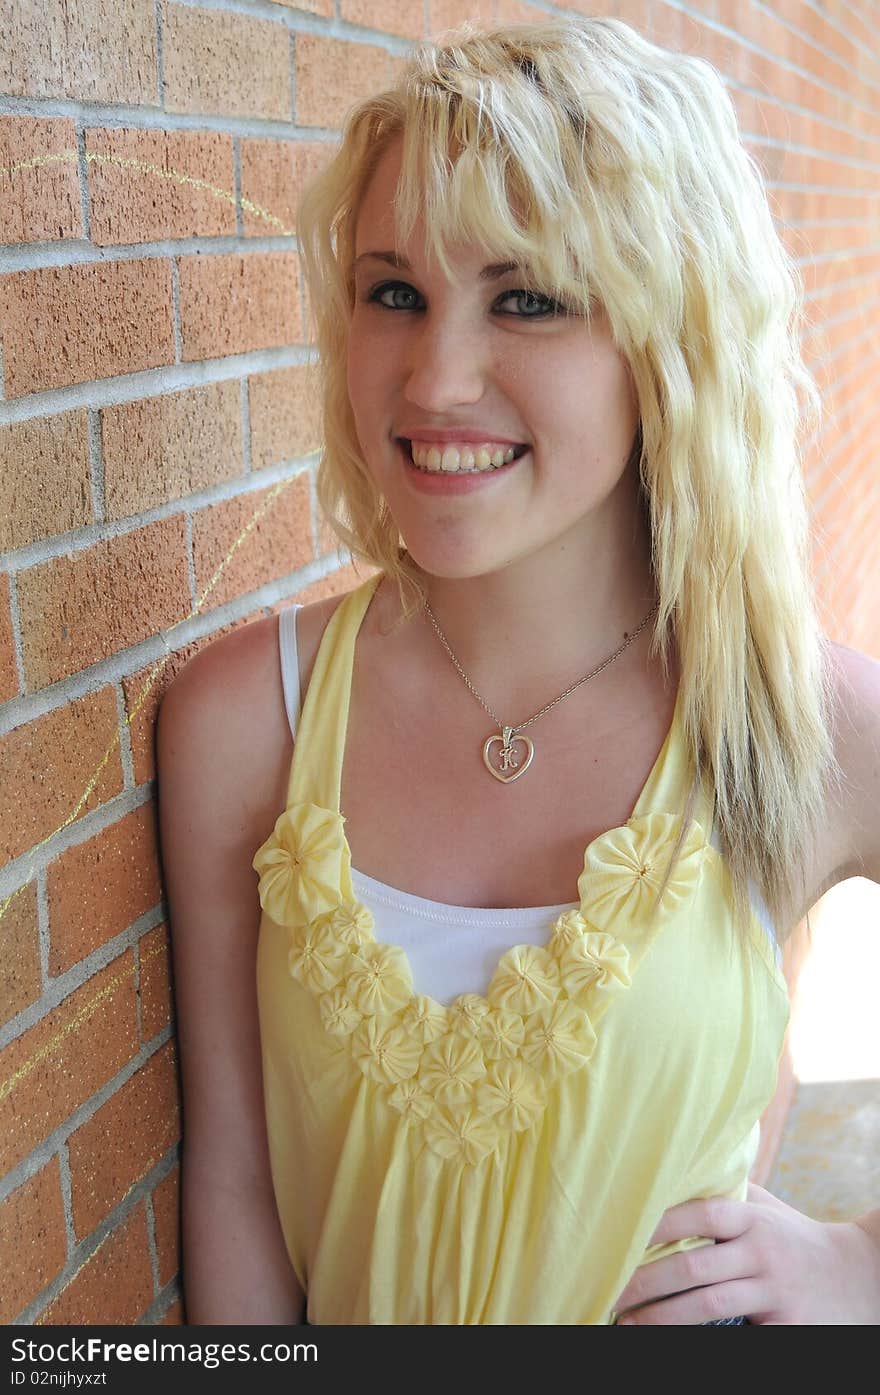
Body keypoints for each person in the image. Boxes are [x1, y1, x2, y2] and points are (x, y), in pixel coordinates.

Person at [156, 15, 880, 1325]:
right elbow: (237, 1184)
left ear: (674, 338)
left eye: (528, 298)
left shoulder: (805, 723)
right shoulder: (241, 721)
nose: (436, 378)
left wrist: (857, 1265)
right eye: (395, 292)